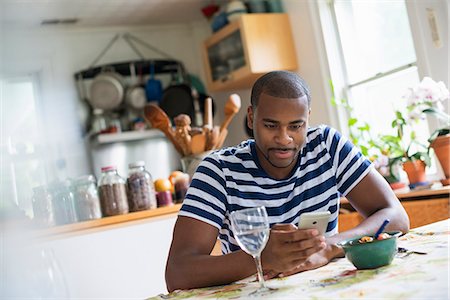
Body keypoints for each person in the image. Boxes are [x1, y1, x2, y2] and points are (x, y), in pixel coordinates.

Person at [165, 71, 409, 292]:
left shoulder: (326, 146)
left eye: (296, 126)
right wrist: (261, 257)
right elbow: (177, 273)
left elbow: (397, 216)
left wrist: (329, 247)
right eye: (271, 125)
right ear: (251, 118)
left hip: (328, 290)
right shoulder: (219, 171)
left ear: (308, 119)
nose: (284, 139)